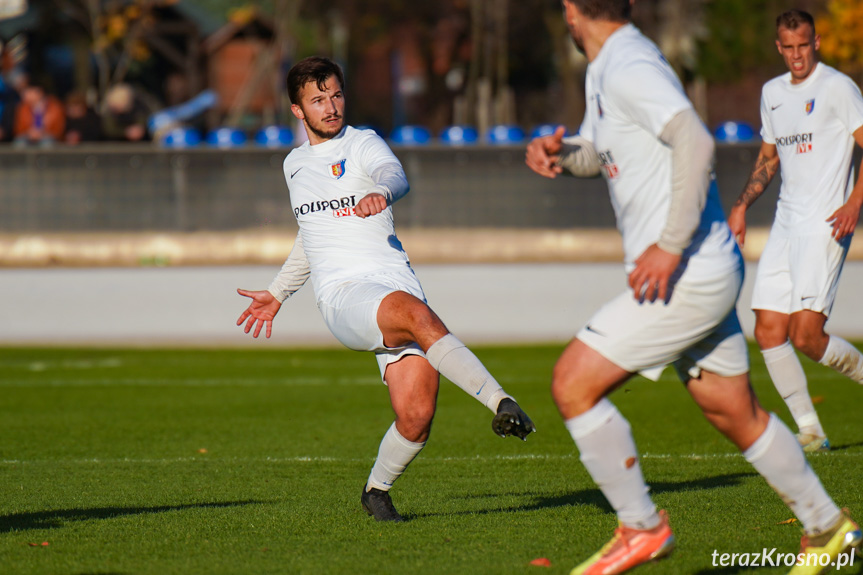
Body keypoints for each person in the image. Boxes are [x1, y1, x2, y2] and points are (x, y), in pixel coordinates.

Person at [525, 2, 859, 574]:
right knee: (734, 411)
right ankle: (829, 528)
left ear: (574, 11)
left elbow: (695, 142)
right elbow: (604, 154)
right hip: (702, 267)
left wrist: (670, 245)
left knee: (571, 384)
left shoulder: (629, 63)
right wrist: (564, 153)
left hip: (688, 271)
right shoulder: (605, 66)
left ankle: (641, 527)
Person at [236, 56, 535, 522]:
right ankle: (502, 402)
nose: (331, 106)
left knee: (416, 416)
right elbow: (312, 239)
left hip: (394, 286)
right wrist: (281, 291)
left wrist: (383, 192)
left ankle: (376, 490)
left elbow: (394, 176)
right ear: (298, 111)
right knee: (417, 316)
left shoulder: (363, 142)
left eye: (335, 95)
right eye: (318, 100)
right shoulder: (294, 165)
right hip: (344, 297)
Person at [728, 9, 863, 454]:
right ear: (778, 47)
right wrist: (743, 204)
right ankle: (810, 430)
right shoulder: (772, 93)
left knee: (807, 336)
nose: (796, 55)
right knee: (767, 330)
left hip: (826, 223)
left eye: (803, 45)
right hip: (786, 222)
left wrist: (854, 203)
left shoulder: (839, 88)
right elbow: (769, 159)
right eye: (788, 47)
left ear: (817, 42)